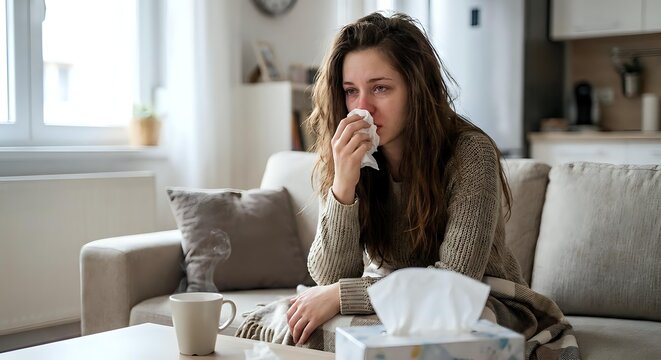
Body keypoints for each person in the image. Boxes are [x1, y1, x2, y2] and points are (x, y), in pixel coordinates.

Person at [238, 12, 579, 359]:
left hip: (478, 298)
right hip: (389, 297)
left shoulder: (470, 153)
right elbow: (331, 275)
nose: (362, 108)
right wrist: (344, 184)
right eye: (351, 91)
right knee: (303, 327)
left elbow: (456, 281)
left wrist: (340, 296)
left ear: (416, 89)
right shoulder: (355, 158)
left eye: (380, 88)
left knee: (415, 335)